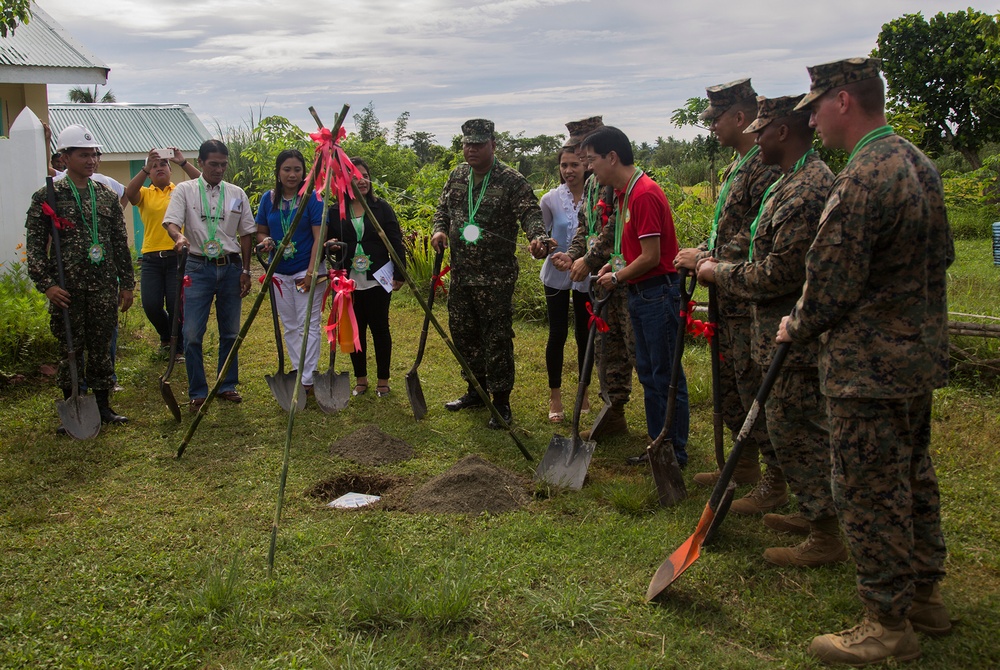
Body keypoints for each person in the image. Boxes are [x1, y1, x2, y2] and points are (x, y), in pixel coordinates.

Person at [777, 58, 952, 665]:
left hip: (865, 370)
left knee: (868, 490)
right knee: (912, 476)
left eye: (816, 106)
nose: (812, 119)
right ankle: (926, 595)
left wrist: (794, 324)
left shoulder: (860, 178)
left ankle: (887, 622)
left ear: (844, 101)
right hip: (917, 358)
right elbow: (944, 257)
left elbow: (828, 285)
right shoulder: (919, 164)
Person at [697, 95, 845, 567]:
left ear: (783, 131)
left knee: (798, 427)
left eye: (762, 129)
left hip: (790, 331)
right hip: (771, 327)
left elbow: (778, 273)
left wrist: (717, 272)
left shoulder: (806, 189)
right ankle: (809, 511)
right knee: (785, 425)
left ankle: (824, 532)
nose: (755, 137)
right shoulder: (787, 182)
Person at [676, 79, 782, 499]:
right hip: (727, 292)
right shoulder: (736, 165)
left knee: (756, 386)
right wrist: (704, 250)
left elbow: (757, 234)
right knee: (735, 385)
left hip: (750, 295)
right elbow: (729, 231)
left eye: (716, 119)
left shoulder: (765, 165)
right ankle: (744, 467)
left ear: (740, 117)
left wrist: (706, 260)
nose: (712, 127)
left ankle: (776, 479)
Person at [431, 119, 550, 428]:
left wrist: (538, 238)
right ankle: (475, 390)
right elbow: (442, 210)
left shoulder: (511, 180)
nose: (471, 149)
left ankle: (501, 402)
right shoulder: (457, 176)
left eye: (478, 144)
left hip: (495, 278)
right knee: (464, 335)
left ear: (493, 145)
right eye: (467, 144)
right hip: (461, 275)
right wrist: (439, 231)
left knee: (496, 338)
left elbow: (530, 213)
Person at [584, 126, 689, 467]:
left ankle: (673, 449)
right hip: (641, 292)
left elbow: (651, 256)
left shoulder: (642, 194)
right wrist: (611, 270)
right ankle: (658, 444)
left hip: (657, 293)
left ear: (612, 157)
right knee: (648, 372)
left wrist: (616, 276)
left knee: (664, 375)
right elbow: (632, 253)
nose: (589, 168)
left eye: (592, 160)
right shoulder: (625, 194)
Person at [25, 123, 134, 427]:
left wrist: (126, 284)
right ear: (65, 156)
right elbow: (34, 248)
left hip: (102, 287)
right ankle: (73, 405)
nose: (91, 161)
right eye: (84, 155)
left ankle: (103, 406)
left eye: (95, 155)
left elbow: (118, 243)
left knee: (101, 348)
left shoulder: (106, 196)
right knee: (70, 348)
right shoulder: (48, 196)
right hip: (67, 290)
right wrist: (47, 286)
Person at [551, 115, 637, 443]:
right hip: (603, 283)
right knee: (606, 350)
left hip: (630, 279)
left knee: (639, 351)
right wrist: (572, 255)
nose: (580, 160)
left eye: (585, 153)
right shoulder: (591, 186)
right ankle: (613, 412)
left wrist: (588, 259)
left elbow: (616, 227)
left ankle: (666, 427)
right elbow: (585, 230)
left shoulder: (622, 182)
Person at [163, 139, 256, 411]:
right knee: (191, 333)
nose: (218, 169)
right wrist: (179, 236)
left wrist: (246, 271)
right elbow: (171, 222)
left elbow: (246, 234)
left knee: (230, 331)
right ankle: (198, 391)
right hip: (197, 266)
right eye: (213, 164)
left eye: (223, 165)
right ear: (201, 162)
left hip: (230, 267)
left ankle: (226, 384)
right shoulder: (185, 190)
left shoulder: (237, 193)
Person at [327, 157, 405, 397]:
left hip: (378, 277)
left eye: (365, 176)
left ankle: (383, 379)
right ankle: (361, 379)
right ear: (344, 181)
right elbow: (328, 242)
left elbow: (395, 240)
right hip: (348, 280)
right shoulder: (336, 210)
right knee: (355, 328)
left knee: (380, 327)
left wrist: (400, 273)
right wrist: (330, 246)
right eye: (355, 177)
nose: (362, 181)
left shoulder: (382, 207)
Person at [255, 149, 326, 391]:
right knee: (290, 324)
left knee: (308, 323)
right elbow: (262, 230)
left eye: (297, 169)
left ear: (304, 172)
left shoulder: (312, 198)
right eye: (287, 169)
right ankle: (298, 369)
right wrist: (265, 241)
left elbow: (319, 237)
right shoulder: (269, 198)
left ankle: (307, 379)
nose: (292, 174)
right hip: (279, 273)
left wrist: (311, 273)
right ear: (278, 172)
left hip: (305, 271)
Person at [125, 148, 201, 359]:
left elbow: (203, 183)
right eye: (154, 167)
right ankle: (166, 335)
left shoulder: (181, 190)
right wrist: (145, 167)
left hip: (177, 256)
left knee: (176, 305)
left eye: (163, 165)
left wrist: (182, 162)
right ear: (149, 173)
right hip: (151, 258)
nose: (159, 169)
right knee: (151, 305)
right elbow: (129, 194)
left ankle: (176, 347)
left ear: (170, 170)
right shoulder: (145, 194)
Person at [539, 143, 591, 422]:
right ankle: (555, 395)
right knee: (557, 333)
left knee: (585, 333)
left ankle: (583, 392)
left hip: (587, 272)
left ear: (586, 165)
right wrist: (545, 248)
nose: (569, 171)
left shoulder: (597, 196)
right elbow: (540, 236)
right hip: (557, 272)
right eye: (564, 165)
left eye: (575, 165)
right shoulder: (550, 199)